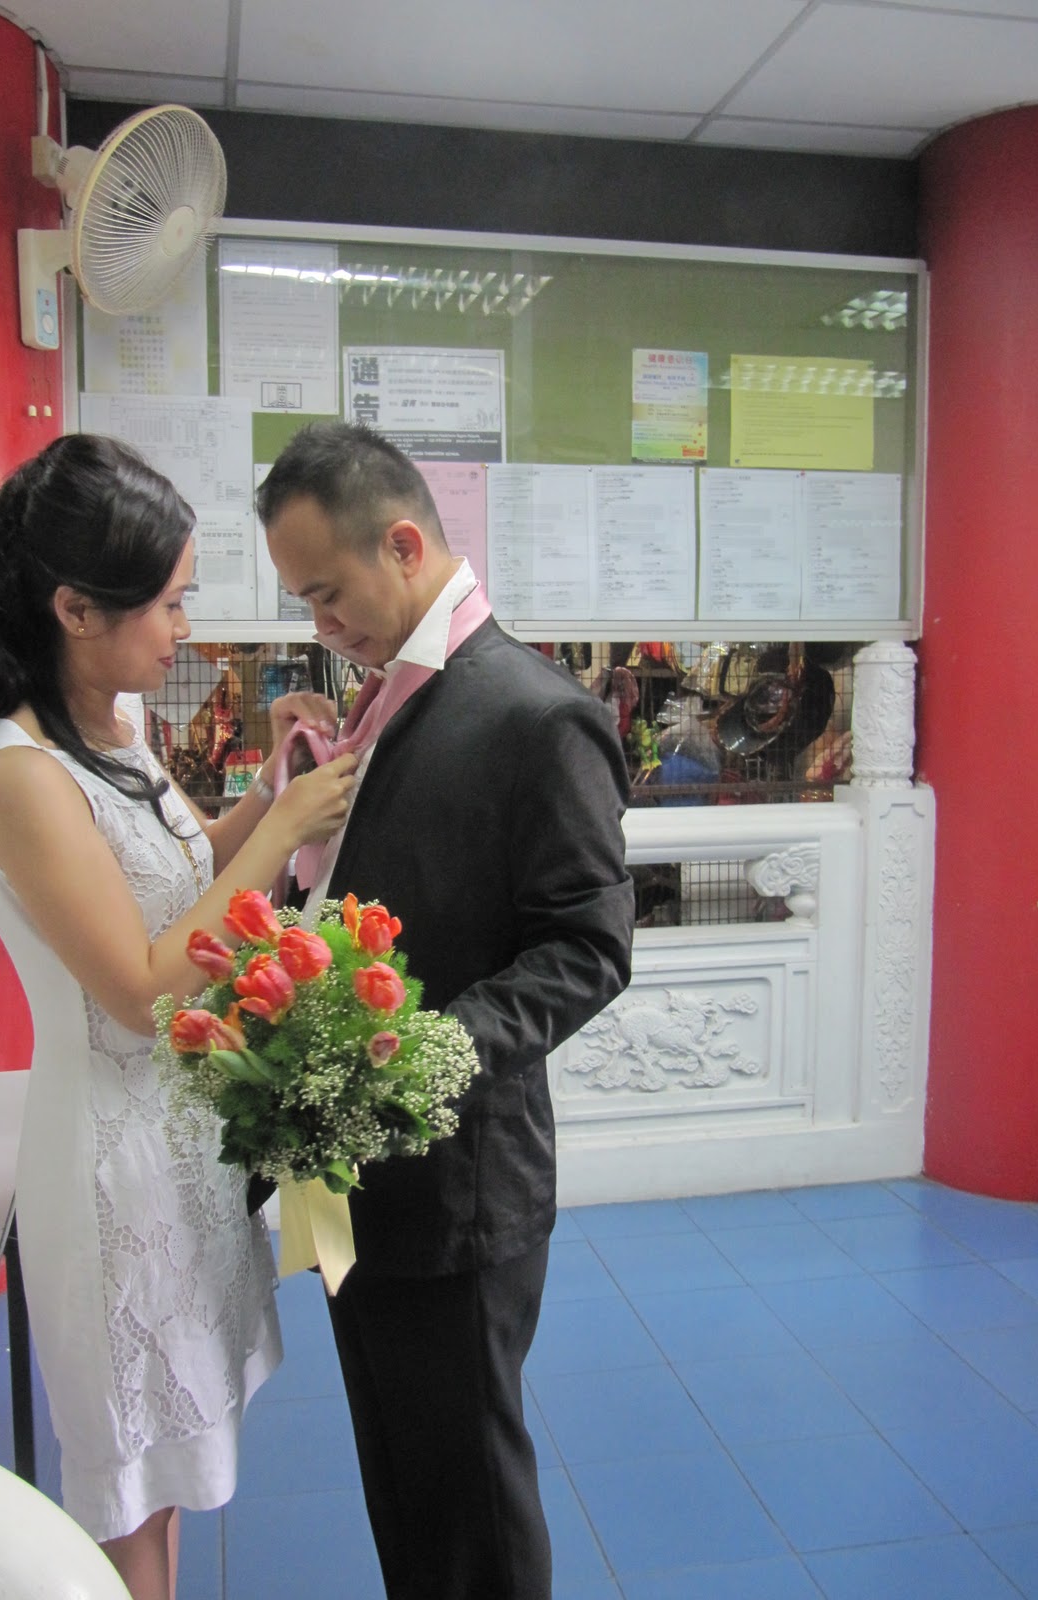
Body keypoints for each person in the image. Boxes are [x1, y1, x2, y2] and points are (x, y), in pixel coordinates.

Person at [0, 433, 356, 1600]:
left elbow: (189, 877)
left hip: (177, 1144)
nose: (183, 628)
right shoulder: (20, 772)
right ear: (76, 608)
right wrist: (283, 835)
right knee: (129, 1478)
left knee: (169, 1467)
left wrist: (267, 792)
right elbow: (137, 986)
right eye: (167, 604)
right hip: (110, 1171)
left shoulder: (113, 728)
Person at [257, 420, 634, 1600]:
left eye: (328, 593)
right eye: (304, 602)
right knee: (404, 1478)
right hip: (354, 1167)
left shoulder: (533, 714)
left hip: (456, 1175)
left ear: (405, 545)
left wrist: (420, 1053)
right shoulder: (385, 701)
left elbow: (588, 947)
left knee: (470, 1498)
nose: (322, 624)